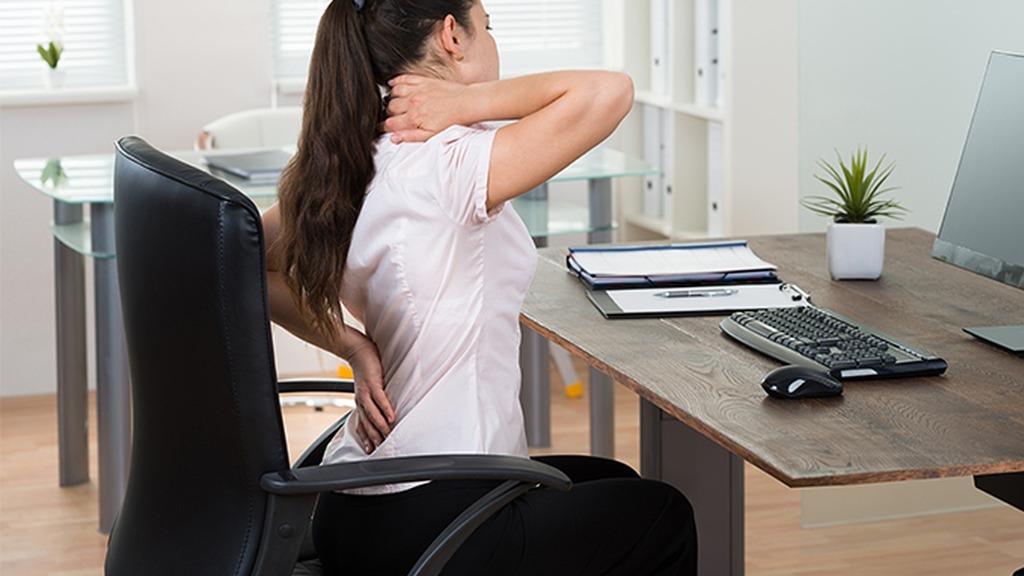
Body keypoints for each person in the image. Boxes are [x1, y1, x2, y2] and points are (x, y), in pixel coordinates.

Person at [261, 0, 698, 574]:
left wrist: (354, 347)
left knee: (612, 481)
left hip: (351, 504)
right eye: (487, 26)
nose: (492, 39)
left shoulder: (349, 161)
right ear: (452, 35)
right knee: (665, 515)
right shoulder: (448, 161)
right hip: (436, 516)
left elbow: (241, 260)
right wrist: (464, 102)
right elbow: (608, 91)